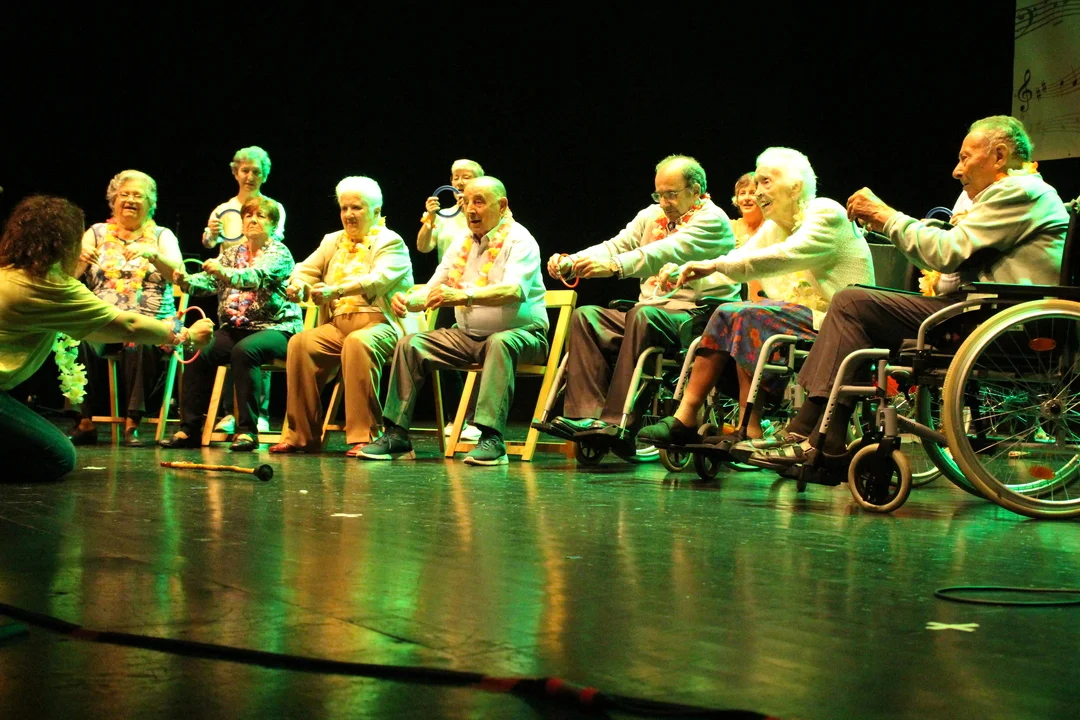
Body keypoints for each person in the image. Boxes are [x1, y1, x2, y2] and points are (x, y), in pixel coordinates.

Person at [752, 115, 1071, 466]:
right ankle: (825, 439)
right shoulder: (1013, 195)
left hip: (1004, 321)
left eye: (965, 158)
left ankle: (809, 431)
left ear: (999, 156)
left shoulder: (1019, 191)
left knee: (852, 303)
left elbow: (946, 254)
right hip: (983, 312)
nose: (957, 170)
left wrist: (887, 217)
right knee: (855, 311)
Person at [638, 147, 875, 446]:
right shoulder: (774, 226)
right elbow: (738, 261)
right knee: (728, 311)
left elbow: (787, 255)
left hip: (837, 322)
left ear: (795, 187)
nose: (758, 191)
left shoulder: (826, 212)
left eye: (766, 182)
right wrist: (687, 272)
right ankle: (685, 417)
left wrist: (712, 265)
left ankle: (749, 427)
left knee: (749, 314)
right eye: (757, 182)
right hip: (791, 318)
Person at [0, 195, 212, 482]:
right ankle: (83, 421)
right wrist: (185, 335)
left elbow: (101, 326)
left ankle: (132, 420)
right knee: (58, 456)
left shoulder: (9, 273)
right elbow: (129, 326)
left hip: (145, 314)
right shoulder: (47, 286)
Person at [544, 155, 741, 456]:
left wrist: (613, 266)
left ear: (696, 190)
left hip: (694, 314)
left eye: (671, 194)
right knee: (586, 317)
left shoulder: (712, 220)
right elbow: (616, 245)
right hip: (649, 311)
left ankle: (617, 422)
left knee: (643, 315)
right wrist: (574, 260)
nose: (663, 202)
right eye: (658, 194)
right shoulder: (651, 216)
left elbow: (662, 251)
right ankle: (586, 416)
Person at [358, 176, 549, 465]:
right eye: (466, 202)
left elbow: (514, 290)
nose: (470, 209)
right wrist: (407, 300)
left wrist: (463, 296)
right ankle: (396, 434)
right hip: (468, 336)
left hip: (523, 335)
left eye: (479, 202)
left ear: (502, 206)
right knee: (411, 345)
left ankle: (492, 438)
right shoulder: (462, 243)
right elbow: (433, 287)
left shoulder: (520, 240)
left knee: (500, 342)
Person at [268, 177, 415, 456]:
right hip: (338, 326)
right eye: (344, 208)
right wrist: (298, 284)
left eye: (356, 208)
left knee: (358, 343)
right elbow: (305, 269)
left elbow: (377, 279)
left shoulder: (391, 242)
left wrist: (335, 290)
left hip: (382, 324)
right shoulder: (332, 241)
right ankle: (301, 436)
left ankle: (366, 434)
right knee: (301, 343)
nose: (349, 214)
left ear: (376, 211)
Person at [160, 196, 302, 451]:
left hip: (276, 329)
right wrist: (186, 281)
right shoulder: (232, 253)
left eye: (260, 216)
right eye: (248, 215)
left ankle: (247, 431)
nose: (253, 220)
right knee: (196, 347)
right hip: (236, 329)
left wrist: (222, 272)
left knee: (245, 351)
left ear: (273, 224)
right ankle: (189, 428)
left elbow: (254, 277)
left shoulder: (279, 253)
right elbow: (208, 283)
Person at [69, 169, 183, 447]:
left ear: (150, 203)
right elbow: (68, 278)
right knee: (76, 338)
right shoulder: (96, 232)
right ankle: (84, 421)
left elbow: (179, 275)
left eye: (138, 196)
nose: (130, 200)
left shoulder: (162, 235)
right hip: (103, 318)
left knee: (141, 340)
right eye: (125, 194)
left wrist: (153, 255)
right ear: (114, 200)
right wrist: (80, 259)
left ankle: (133, 423)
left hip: (151, 317)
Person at [203, 146, 283, 435]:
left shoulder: (273, 207)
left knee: (253, 346)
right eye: (245, 170)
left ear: (265, 176)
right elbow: (209, 243)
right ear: (235, 172)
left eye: (256, 172)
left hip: (258, 287)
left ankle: (258, 412)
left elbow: (273, 241)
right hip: (230, 288)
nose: (250, 176)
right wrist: (212, 235)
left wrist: (240, 265)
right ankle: (229, 413)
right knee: (228, 341)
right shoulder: (223, 209)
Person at [416, 158, 486, 442]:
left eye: (465, 176)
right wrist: (430, 218)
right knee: (443, 352)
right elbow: (423, 247)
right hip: (447, 292)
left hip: (478, 292)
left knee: (478, 353)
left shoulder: (486, 214)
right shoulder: (443, 215)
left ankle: (476, 419)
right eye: (455, 177)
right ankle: (456, 417)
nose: (459, 181)